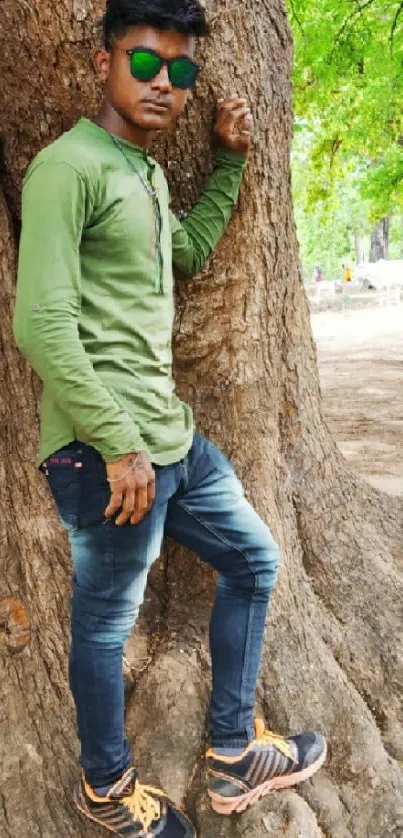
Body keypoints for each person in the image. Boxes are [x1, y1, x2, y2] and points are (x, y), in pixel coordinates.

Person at [14, 1, 326, 835]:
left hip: (172, 441)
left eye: (180, 71)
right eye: (145, 62)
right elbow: (39, 322)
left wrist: (226, 165)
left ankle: (231, 754)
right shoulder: (68, 167)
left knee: (255, 563)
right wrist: (117, 446)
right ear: (100, 62)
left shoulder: (144, 172)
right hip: (104, 452)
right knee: (105, 627)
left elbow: (180, 258)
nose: (163, 82)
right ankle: (107, 792)